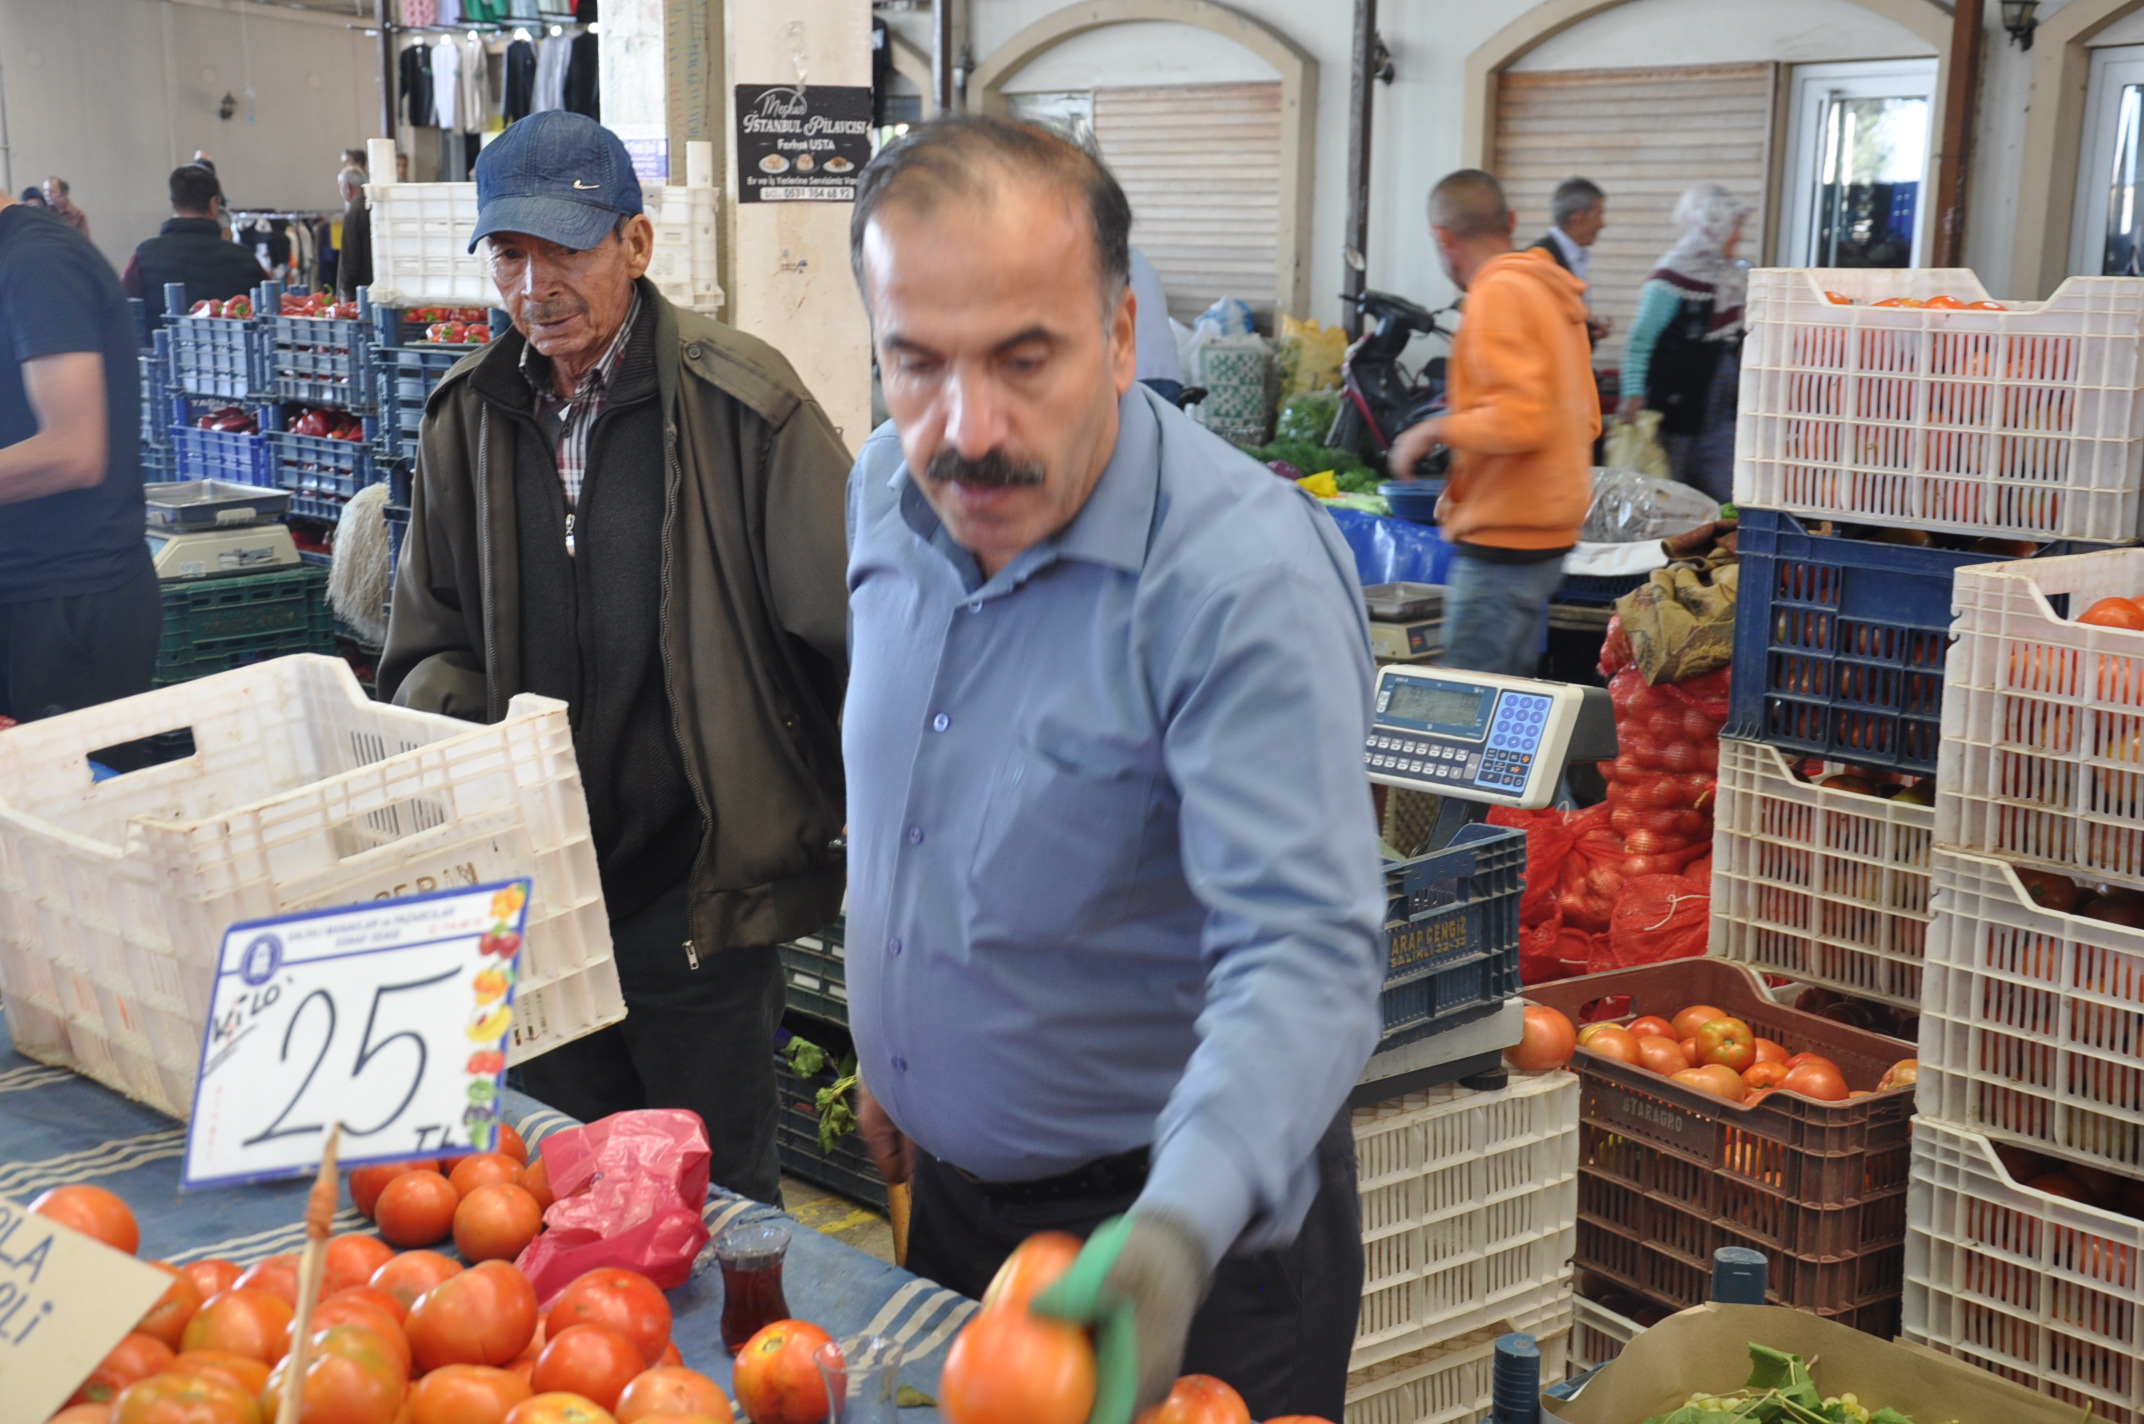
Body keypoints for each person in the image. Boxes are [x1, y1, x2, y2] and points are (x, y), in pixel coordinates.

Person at [844, 114, 1384, 1421]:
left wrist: (1177, 1231)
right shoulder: (882, 495)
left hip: (1189, 1259)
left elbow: (1306, 950)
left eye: (1025, 360)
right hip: (957, 1219)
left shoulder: (1238, 578)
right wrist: (894, 1046)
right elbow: (909, 798)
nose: (968, 429)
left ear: (1126, 336)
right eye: (915, 365)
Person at [377, 110, 852, 1204]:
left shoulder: (745, 407)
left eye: (564, 249)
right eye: (509, 253)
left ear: (635, 246)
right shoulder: (467, 419)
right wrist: (477, 757)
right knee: (556, 1197)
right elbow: (426, 643)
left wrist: (799, 806)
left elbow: (852, 632)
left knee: (712, 1197)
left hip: (693, 898)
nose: (534, 283)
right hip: (537, 904)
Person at [1387, 170, 1598, 679]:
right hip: (1545, 536)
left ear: (1443, 238)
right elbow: (1586, 419)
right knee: (1508, 704)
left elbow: (1522, 420)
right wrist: (1468, 485)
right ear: (1510, 222)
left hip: (1504, 543)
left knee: (1466, 708)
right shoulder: (1549, 292)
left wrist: (1432, 430)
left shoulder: (1497, 296)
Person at [0, 190, 159, 730]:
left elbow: (73, 451)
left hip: (65, 609)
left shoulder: (36, 263)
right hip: (31, 596)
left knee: (75, 806)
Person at [1617, 182, 1750, 504]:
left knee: (1726, 491)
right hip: (1676, 407)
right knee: (1670, 493)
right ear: (1713, 227)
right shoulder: (1671, 277)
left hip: (1719, 410)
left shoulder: (1728, 277)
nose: (1739, 236)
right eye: (1734, 227)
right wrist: (1632, 393)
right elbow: (1640, 339)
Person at [122, 165, 266, 327]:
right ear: (213, 204)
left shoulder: (144, 256)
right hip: (235, 350)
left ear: (173, 203)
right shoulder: (246, 259)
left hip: (161, 351)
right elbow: (269, 312)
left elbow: (122, 311)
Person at [1531, 176, 1610, 344]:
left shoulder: (1575, 256)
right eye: (1599, 215)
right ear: (1578, 218)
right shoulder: (1539, 260)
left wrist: (1590, 329)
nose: (1603, 224)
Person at [335, 164, 373, 302]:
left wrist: (345, 290)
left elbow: (350, 258)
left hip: (359, 294)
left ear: (347, 187)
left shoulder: (353, 214)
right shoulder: (375, 208)